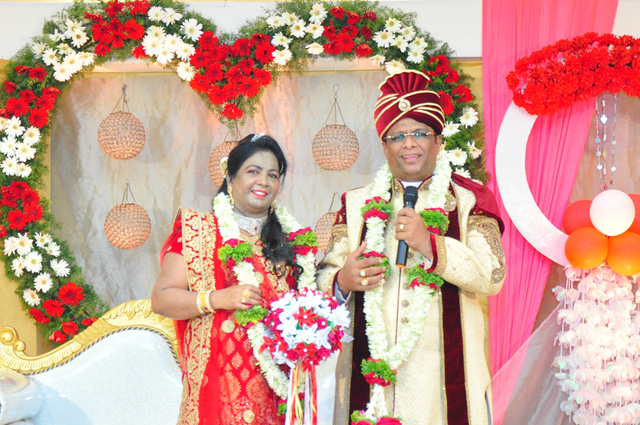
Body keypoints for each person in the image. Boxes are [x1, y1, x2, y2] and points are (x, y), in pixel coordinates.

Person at [317, 70, 506, 425]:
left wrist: (430, 245)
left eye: (420, 133)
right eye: (397, 136)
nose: (409, 144)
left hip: (443, 383)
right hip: (370, 379)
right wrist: (342, 280)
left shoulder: (469, 201)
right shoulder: (356, 204)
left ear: (438, 141)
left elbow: (493, 275)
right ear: (385, 145)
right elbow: (322, 279)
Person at [152, 134, 305, 425]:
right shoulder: (197, 230)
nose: (263, 181)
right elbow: (162, 297)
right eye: (253, 171)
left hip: (277, 392)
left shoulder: (291, 244)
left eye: (273, 175)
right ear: (230, 177)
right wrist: (216, 298)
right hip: (217, 392)